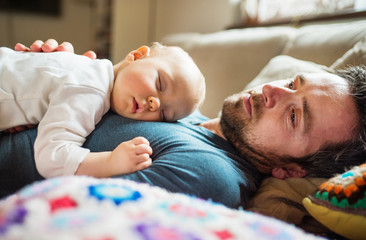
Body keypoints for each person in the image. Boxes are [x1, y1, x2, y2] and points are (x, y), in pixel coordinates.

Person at [1, 40, 365, 209]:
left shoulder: (210, 173)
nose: (271, 90)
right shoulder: (180, 108)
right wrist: (48, 76)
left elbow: (69, 211)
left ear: (288, 170)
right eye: (290, 83)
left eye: (293, 115)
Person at [0, 40, 206, 179]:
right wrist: (111, 162)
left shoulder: (90, 69)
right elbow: (51, 158)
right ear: (137, 55)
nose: (155, 103)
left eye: (164, 114)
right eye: (160, 83)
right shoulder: (92, 89)